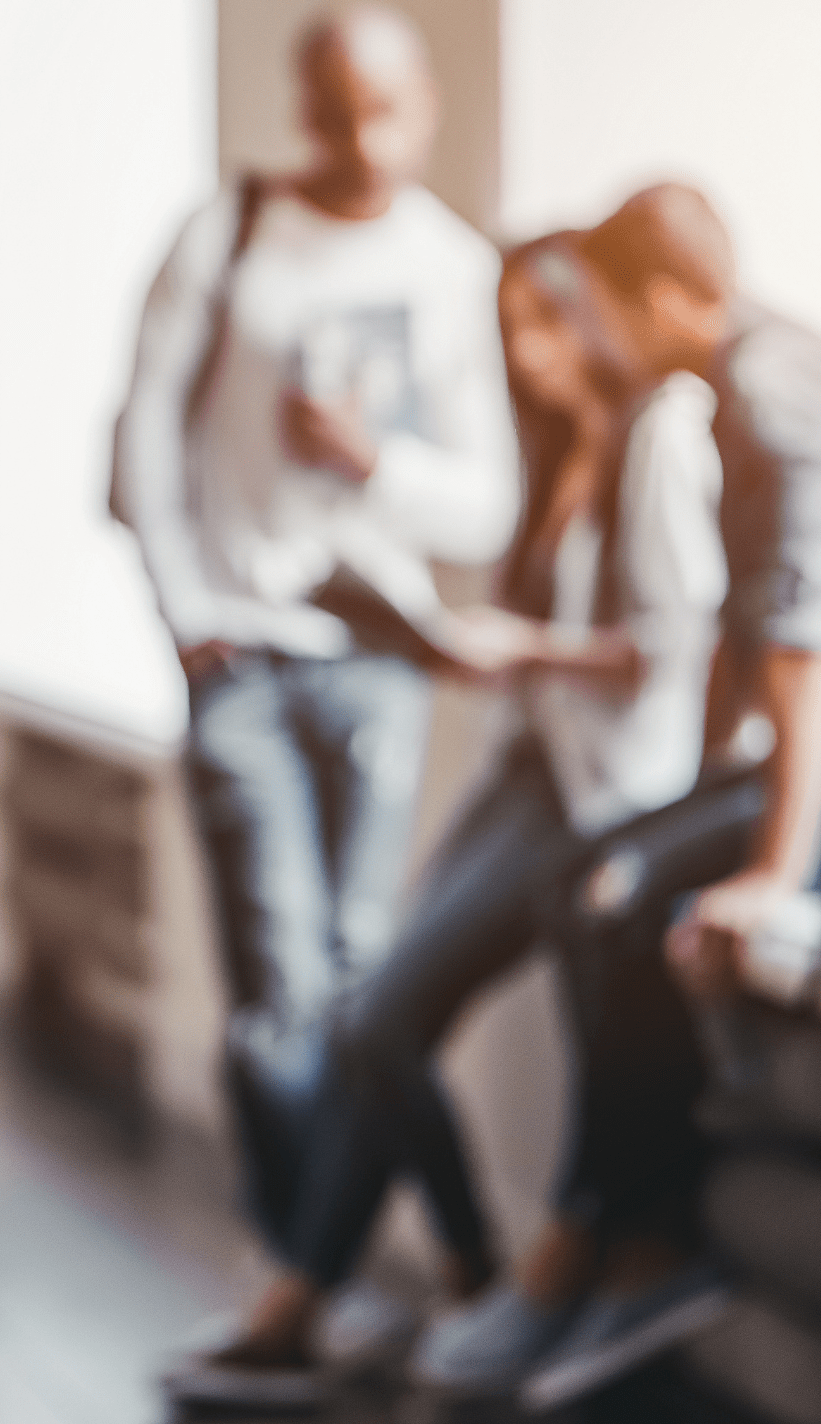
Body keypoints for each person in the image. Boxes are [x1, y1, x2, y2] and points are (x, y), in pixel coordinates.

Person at [433, 183, 821, 1410]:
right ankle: (606, 1241)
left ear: (668, 304)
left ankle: (626, 1243)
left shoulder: (779, 401)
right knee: (602, 877)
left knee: (626, 895)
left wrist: (768, 876)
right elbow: (749, 650)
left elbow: (809, 654)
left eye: (598, 315)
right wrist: (684, 815)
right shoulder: (731, 396)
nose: (586, 347)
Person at [224, 231, 727, 1408]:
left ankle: (468, 1276)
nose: (534, 354)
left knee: (379, 1016)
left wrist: (527, 647)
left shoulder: (661, 431)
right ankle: (402, 1279)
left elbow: (674, 649)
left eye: (552, 324)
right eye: (513, 332)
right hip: (529, 771)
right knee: (370, 1018)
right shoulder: (552, 454)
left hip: (598, 799)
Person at [117, 4, 519, 1409]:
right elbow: (139, 439)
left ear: (426, 107)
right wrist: (188, 620)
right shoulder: (227, 233)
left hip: (377, 661)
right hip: (241, 653)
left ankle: (349, 1287)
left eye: (387, 109)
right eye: (336, 107)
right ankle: (351, 1274)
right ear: (305, 100)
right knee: (279, 1003)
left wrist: (376, 461)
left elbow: (489, 498)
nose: (362, 137)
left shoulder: (454, 270)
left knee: (360, 983)